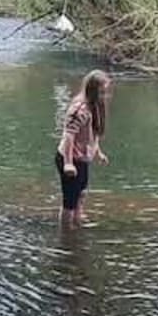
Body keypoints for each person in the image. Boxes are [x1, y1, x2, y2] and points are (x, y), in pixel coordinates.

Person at [55, 69, 111, 226]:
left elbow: (93, 132)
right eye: (101, 92)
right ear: (92, 91)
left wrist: (98, 152)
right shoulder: (79, 110)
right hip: (70, 158)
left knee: (82, 193)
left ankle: (77, 220)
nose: (104, 96)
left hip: (83, 158)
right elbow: (68, 136)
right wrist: (68, 163)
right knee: (69, 201)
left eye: (105, 92)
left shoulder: (94, 107)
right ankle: (67, 232)